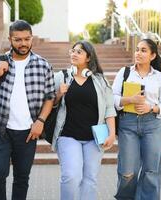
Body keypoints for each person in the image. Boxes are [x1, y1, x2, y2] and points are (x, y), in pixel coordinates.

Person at [0, 20, 55, 200]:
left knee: (22, 177)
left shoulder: (43, 64)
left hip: (28, 132)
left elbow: (50, 96)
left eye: (27, 39)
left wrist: (40, 122)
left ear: (32, 38)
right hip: (0, 129)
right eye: (18, 40)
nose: (23, 44)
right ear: (10, 39)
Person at [51, 40, 116, 200]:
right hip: (67, 135)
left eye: (79, 52)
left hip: (94, 138)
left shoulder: (100, 81)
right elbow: (49, 104)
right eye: (72, 51)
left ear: (88, 57)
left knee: (90, 179)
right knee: (71, 176)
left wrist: (112, 133)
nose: (74, 54)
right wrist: (59, 94)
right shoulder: (61, 77)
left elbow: (109, 108)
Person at [112, 38, 161, 200]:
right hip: (128, 124)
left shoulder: (160, 77)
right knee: (127, 170)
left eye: (143, 50)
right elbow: (112, 98)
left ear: (153, 56)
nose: (138, 53)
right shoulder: (124, 72)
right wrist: (129, 100)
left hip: (152, 124)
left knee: (152, 170)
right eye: (137, 49)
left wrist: (152, 108)